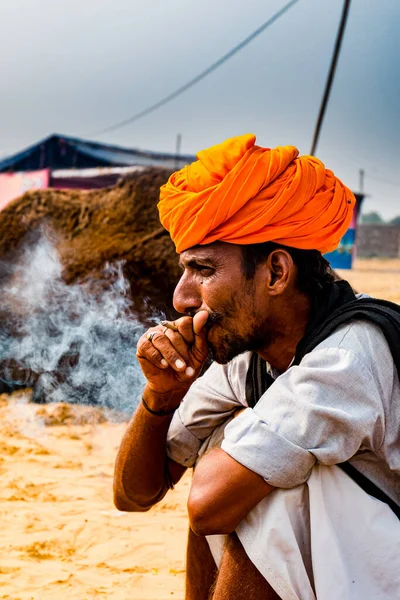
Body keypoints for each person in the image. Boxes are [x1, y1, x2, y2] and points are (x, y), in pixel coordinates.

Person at [113, 134, 400, 600]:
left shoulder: (347, 356)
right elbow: (134, 495)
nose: (181, 298)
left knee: (267, 496)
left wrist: (236, 441)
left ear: (276, 273)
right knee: (242, 464)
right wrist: (161, 396)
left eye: (203, 271)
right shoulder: (247, 356)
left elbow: (208, 508)